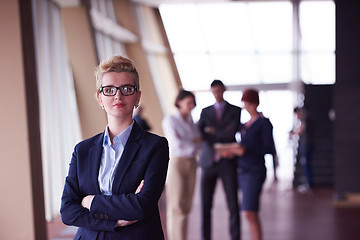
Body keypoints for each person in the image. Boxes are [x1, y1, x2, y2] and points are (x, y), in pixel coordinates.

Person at [60, 55, 169, 240]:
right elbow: (68, 211)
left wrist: (90, 201)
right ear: (100, 98)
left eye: (126, 89)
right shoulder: (83, 150)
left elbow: (142, 205)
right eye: (109, 90)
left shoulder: (155, 147)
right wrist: (115, 221)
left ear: (137, 97)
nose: (118, 95)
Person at [225, 89, 274, 240]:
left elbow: (268, 148)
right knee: (248, 212)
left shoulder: (264, 123)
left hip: (255, 170)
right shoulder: (245, 125)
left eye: (249, 103)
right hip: (243, 170)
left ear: (256, 103)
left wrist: (246, 150)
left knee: (249, 212)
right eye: (245, 103)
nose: (246, 106)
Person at [197, 80, 241, 240]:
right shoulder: (205, 111)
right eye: (214, 91)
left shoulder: (235, 110)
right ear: (211, 91)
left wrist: (212, 130)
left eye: (219, 91)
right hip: (208, 162)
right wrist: (223, 131)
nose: (217, 94)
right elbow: (200, 133)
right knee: (205, 206)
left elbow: (232, 132)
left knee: (233, 204)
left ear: (224, 90)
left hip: (227, 162)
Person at [162, 90, 202, 240]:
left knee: (186, 207)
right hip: (177, 163)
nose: (192, 106)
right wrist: (193, 142)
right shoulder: (170, 120)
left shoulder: (190, 121)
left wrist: (190, 142)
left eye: (193, 103)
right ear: (179, 102)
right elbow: (176, 144)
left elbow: (199, 142)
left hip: (192, 163)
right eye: (189, 103)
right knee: (177, 206)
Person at [290, 107, 315, 192]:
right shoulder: (307, 117)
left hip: (306, 144)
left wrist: (293, 133)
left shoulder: (305, 118)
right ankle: (308, 183)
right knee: (306, 163)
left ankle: (309, 184)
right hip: (309, 143)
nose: (297, 117)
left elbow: (301, 130)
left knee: (306, 163)